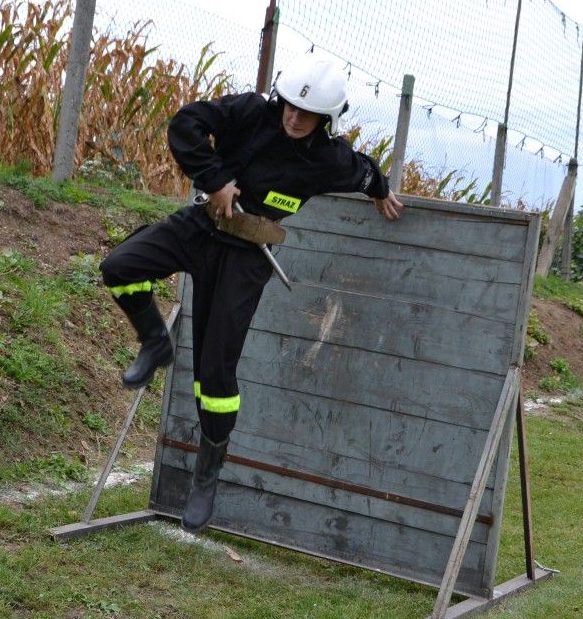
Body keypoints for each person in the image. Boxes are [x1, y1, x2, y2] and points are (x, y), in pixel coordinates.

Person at [99, 56, 404, 532]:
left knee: (215, 374)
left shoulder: (329, 159)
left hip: (246, 257)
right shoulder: (249, 111)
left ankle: (207, 474)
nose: (293, 117)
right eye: (289, 105)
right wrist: (215, 178)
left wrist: (380, 191)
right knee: (120, 267)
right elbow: (187, 122)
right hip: (201, 226)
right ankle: (156, 342)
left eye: (306, 114)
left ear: (327, 120)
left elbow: (365, 172)